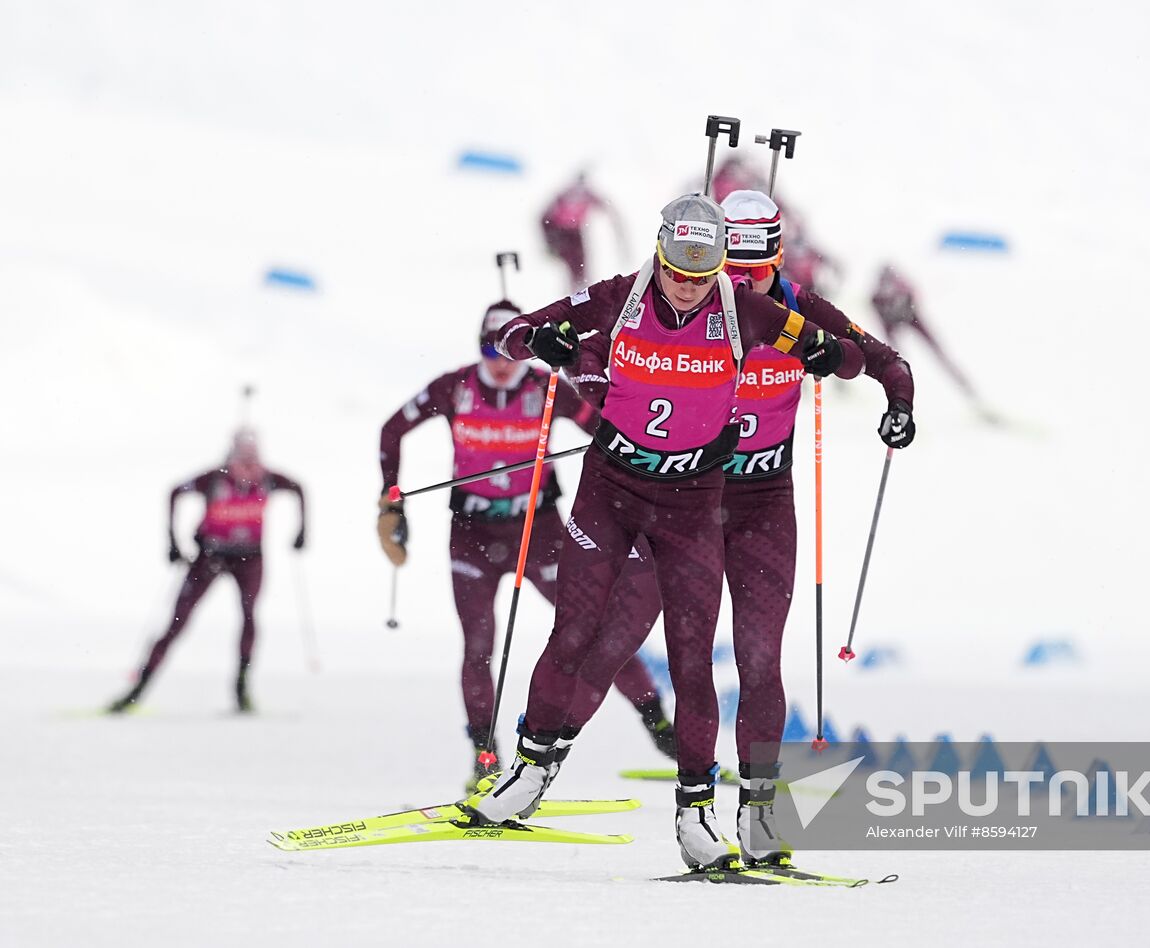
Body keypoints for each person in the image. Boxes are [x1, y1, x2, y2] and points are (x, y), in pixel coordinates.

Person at [468, 192, 867, 870]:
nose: (685, 285)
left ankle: (696, 818)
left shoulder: (746, 311)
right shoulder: (618, 296)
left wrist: (830, 354)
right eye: (675, 269)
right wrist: (542, 341)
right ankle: (528, 773)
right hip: (611, 492)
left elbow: (846, 357)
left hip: (692, 503)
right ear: (657, 255)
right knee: (573, 631)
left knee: (690, 660)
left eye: (700, 271)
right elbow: (512, 334)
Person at [555, 189, 915, 867]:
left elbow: (884, 361)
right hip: (678, 495)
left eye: (751, 269)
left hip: (758, 506)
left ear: (776, 258)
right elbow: (600, 359)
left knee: (757, 662)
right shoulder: (692, 301)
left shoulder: (796, 312)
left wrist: (898, 407)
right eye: (729, 267)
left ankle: (758, 814)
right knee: (609, 639)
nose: (734, 282)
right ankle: (532, 768)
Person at [376, 300, 675, 786]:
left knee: (591, 632)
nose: (500, 362)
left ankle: (660, 725)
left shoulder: (547, 385)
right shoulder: (455, 387)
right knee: (478, 645)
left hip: (539, 532)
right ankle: (484, 756)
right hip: (472, 533)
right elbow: (392, 430)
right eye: (489, 349)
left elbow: (604, 427)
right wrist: (390, 499)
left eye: (508, 351)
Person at [108, 429, 305, 714]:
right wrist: (173, 542)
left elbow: (299, 488)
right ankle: (136, 691)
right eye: (243, 453)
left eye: (252, 453)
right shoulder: (214, 478)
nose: (247, 462)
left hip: (250, 558)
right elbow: (175, 491)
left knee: (249, 617)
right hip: (210, 556)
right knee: (177, 622)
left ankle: (241, 690)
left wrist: (301, 532)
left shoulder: (268, 479)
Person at [871, 263, 994, 418]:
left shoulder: (903, 288)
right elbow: (883, 326)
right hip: (896, 320)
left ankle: (970, 393)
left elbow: (915, 301)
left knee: (939, 355)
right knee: (896, 363)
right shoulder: (876, 298)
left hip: (911, 317)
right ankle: (899, 402)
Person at [539, 172, 625, 291]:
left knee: (579, 264)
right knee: (575, 264)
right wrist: (550, 241)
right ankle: (576, 292)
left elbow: (606, 206)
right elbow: (544, 218)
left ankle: (581, 290)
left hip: (573, 232)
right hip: (561, 232)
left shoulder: (584, 194)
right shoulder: (566, 195)